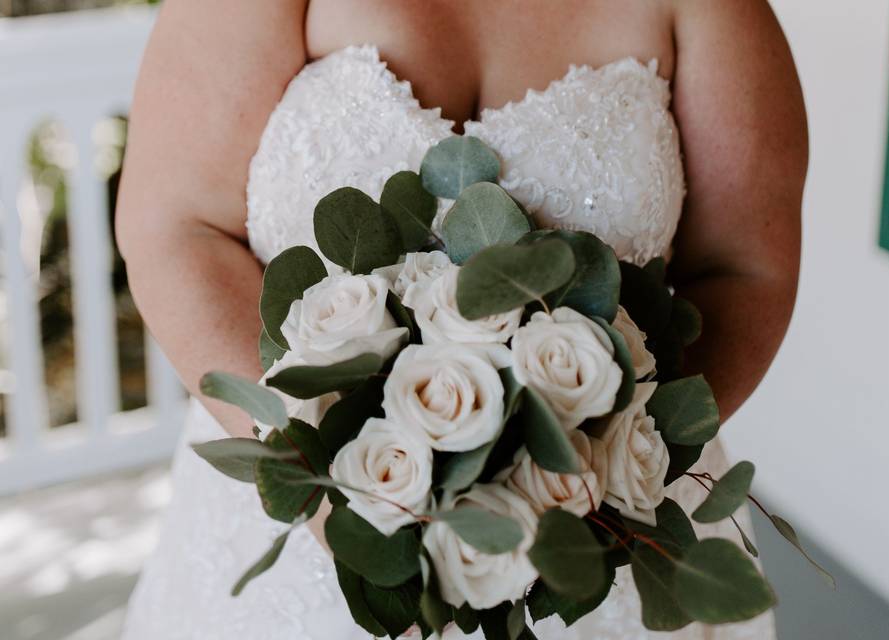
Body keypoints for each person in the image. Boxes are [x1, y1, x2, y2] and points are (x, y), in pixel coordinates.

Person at [115, 1, 806, 638]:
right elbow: (174, 227)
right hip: (300, 527)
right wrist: (316, 468)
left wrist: (611, 453)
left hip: (596, 533)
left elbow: (745, 269)